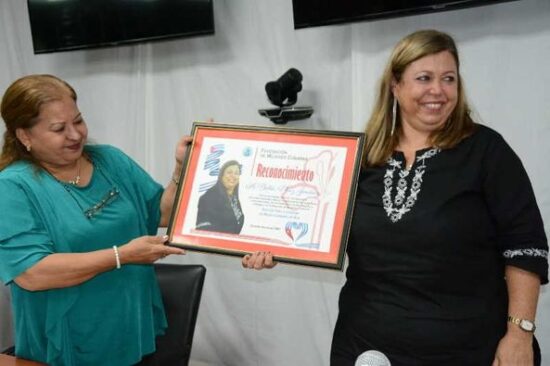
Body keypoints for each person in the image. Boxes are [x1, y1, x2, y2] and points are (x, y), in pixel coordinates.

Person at [243, 29, 548, 365]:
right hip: (367, 347)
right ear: (395, 85)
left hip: (468, 349)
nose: (438, 90)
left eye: (449, 78)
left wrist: (520, 334)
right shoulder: (361, 157)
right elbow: (315, 226)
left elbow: (525, 247)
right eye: (424, 78)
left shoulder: (487, 151)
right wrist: (272, 242)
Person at [0, 74, 188, 366]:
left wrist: (181, 169)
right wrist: (121, 256)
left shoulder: (109, 160)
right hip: (68, 342)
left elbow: (162, 213)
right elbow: (32, 273)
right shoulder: (12, 187)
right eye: (59, 128)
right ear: (24, 136)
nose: (75, 135)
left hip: (125, 327)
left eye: (78, 121)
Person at [196, 159, 245, 234]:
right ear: (221, 176)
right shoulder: (208, 198)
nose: (233, 176)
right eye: (229, 172)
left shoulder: (234, 200)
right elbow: (203, 230)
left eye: (236, 173)